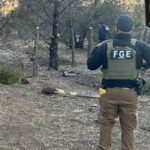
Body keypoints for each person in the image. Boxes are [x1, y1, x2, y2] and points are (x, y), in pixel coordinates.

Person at [87, 14, 150, 150]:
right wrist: (143, 64)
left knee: (106, 125)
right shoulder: (139, 46)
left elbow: (91, 65)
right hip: (131, 93)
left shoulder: (105, 46)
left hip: (108, 92)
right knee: (128, 129)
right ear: (132, 29)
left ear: (116, 29)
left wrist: (97, 47)